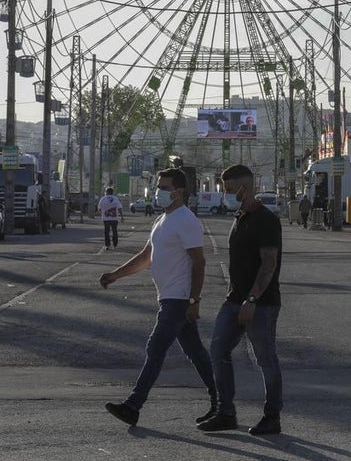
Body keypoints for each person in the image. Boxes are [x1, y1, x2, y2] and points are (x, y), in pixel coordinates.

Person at [99, 168, 217, 427]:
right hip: (168, 296)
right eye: (158, 186)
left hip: (179, 298)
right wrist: (115, 275)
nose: (158, 192)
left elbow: (199, 262)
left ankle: (133, 405)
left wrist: (194, 300)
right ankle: (221, 402)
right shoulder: (162, 220)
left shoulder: (186, 220)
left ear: (179, 191)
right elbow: (145, 257)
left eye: (164, 187)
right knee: (196, 352)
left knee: (155, 347)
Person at [198, 164, 283, 437]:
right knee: (218, 351)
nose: (227, 193)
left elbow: (269, 264)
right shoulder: (240, 216)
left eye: (230, 188)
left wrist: (251, 299)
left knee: (265, 359)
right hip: (234, 300)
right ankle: (226, 413)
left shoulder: (266, 220)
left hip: (260, 304)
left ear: (245, 186)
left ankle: (272, 417)